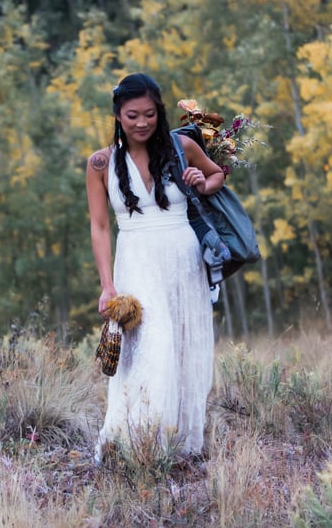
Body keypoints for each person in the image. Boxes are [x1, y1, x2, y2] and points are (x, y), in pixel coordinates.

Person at [86, 72, 224, 463]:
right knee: (150, 346)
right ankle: (135, 443)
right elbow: (99, 226)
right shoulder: (100, 163)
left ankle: (178, 444)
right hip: (136, 259)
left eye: (149, 114)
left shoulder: (182, 146)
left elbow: (216, 176)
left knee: (182, 346)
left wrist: (202, 180)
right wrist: (107, 285)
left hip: (183, 259)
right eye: (132, 115)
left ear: (159, 112)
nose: (141, 122)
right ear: (117, 114)